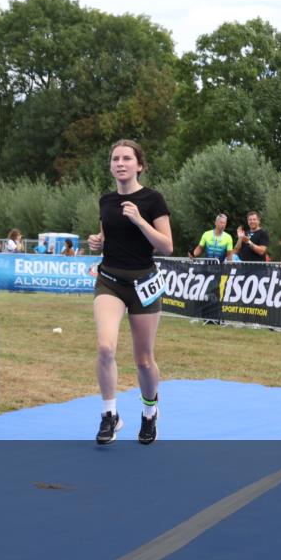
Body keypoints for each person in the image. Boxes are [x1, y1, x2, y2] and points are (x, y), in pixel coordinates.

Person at [86, 139, 172, 446]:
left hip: (143, 284)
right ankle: (109, 414)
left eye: (126, 158)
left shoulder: (153, 200)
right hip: (109, 279)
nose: (120, 163)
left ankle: (150, 413)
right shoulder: (106, 200)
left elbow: (166, 245)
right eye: (115, 159)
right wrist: (97, 240)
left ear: (139, 165)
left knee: (144, 360)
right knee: (105, 347)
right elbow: (108, 234)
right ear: (110, 165)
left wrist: (139, 220)